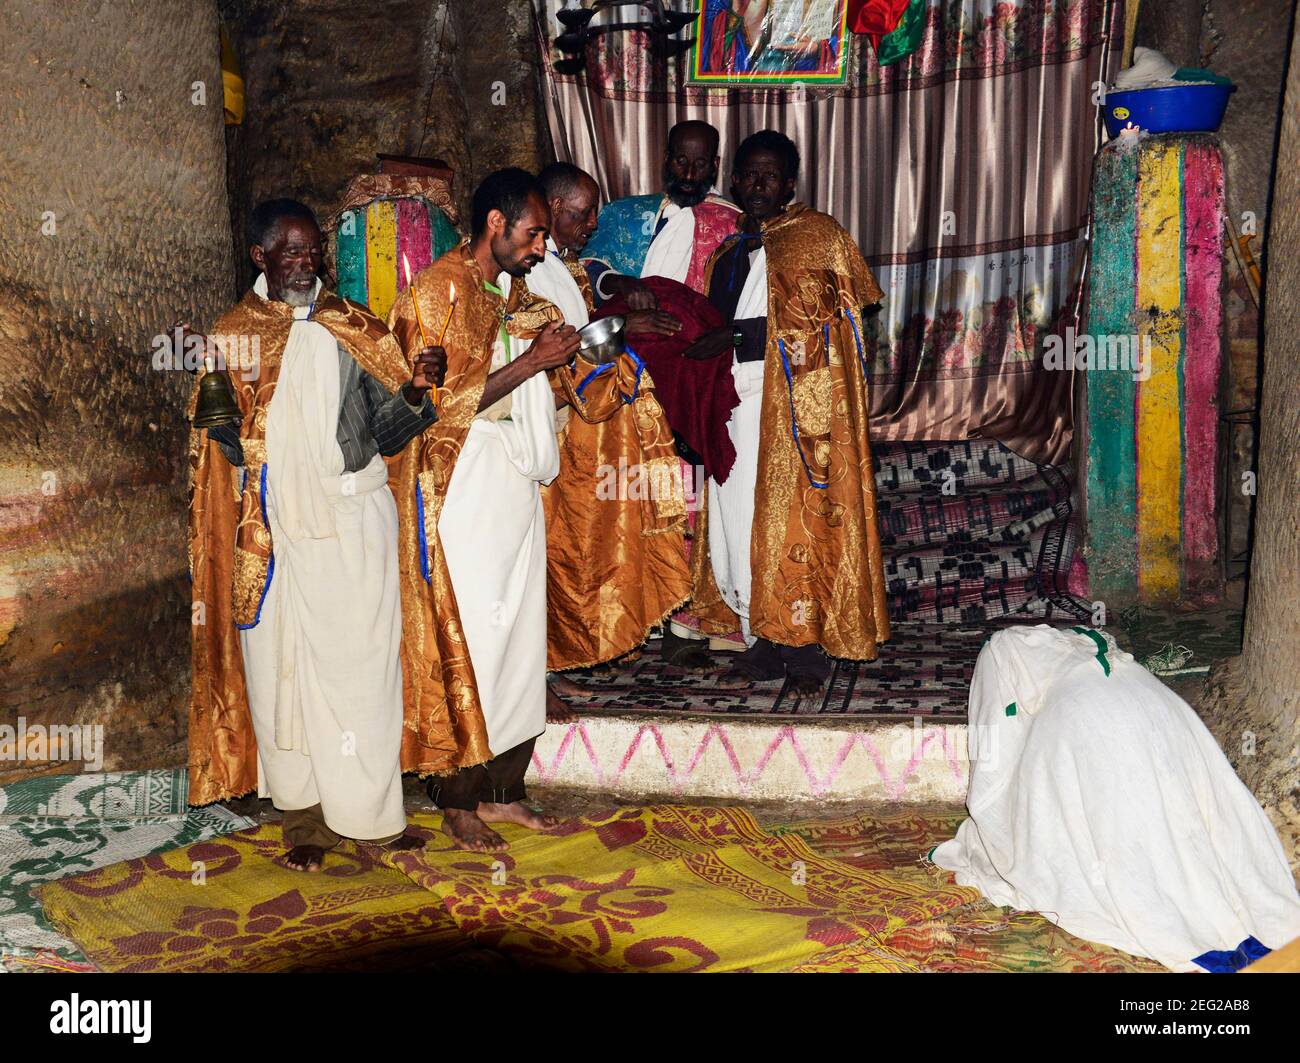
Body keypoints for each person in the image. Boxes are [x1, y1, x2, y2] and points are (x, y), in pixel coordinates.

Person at [187, 198, 446, 872]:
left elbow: (388, 433)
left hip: (352, 519)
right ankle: (302, 818)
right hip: (267, 531)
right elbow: (223, 447)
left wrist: (416, 393)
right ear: (259, 258)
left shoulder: (353, 325)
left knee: (362, 672)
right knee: (283, 675)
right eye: (289, 251)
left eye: (311, 251)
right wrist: (219, 395)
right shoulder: (235, 334)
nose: (304, 262)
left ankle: (370, 817)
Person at [389, 169, 635, 852]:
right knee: (478, 637)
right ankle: (459, 800)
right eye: (532, 234)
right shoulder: (438, 291)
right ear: (495, 224)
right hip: (461, 483)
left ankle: (502, 790)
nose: (539, 246)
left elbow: (533, 378)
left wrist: (567, 361)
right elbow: (429, 406)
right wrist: (532, 364)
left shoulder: (512, 291)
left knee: (519, 639)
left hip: (513, 479)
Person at [934, 625, 1300, 972]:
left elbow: (997, 745)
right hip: (1159, 703)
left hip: (1085, 715)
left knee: (1107, 839)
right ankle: (1244, 909)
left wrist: (994, 815)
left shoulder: (1000, 651)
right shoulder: (1085, 642)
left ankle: (1183, 915)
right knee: (1184, 814)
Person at [685, 130, 891, 696]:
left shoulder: (818, 237)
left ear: (790, 184)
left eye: (770, 176)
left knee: (793, 519)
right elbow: (711, 328)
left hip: (797, 407)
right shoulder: (727, 254)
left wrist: (735, 333)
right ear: (734, 180)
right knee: (739, 523)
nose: (758, 186)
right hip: (734, 402)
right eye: (749, 175)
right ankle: (763, 639)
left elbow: (836, 329)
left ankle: (804, 645)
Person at [581, 120, 742, 670]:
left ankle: (691, 613)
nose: (691, 173)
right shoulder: (625, 214)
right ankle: (636, 610)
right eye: (682, 162)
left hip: (698, 374)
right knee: (631, 490)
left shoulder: (733, 224)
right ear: (666, 158)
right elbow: (586, 269)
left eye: (702, 164)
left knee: (692, 491)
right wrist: (619, 286)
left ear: (715, 166)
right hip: (629, 374)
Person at [532, 163, 691, 718]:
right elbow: (547, 352)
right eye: (582, 214)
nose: (593, 224)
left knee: (569, 555)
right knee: (544, 561)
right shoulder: (529, 274)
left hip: (575, 434)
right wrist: (625, 331)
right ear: (551, 211)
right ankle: (534, 683)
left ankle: (553, 665)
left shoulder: (561, 267)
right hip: (540, 434)